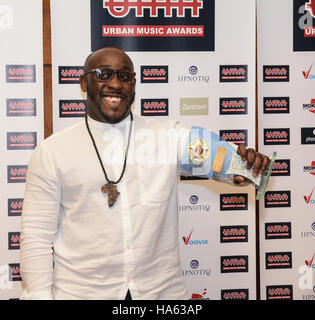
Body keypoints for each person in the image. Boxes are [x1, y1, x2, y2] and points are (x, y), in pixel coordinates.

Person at [20, 46, 270, 300]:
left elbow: (220, 158)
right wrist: (39, 295)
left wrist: (245, 167)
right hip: (82, 293)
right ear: (84, 82)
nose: (115, 84)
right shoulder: (52, 151)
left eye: (125, 76)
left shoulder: (168, 136)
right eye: (104, 74)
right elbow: (36, 236)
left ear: (134, 85)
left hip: (161, 293)